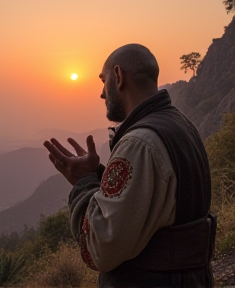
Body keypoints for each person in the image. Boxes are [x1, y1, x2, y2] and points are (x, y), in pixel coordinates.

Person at [43, 43, 216, 288]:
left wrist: (83, 183)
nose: (102, 94)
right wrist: (97, 174)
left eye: (103, 81)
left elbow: (101, 248)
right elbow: (151, 198)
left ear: (118, 76)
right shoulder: (179, 123)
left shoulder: (140, 143)